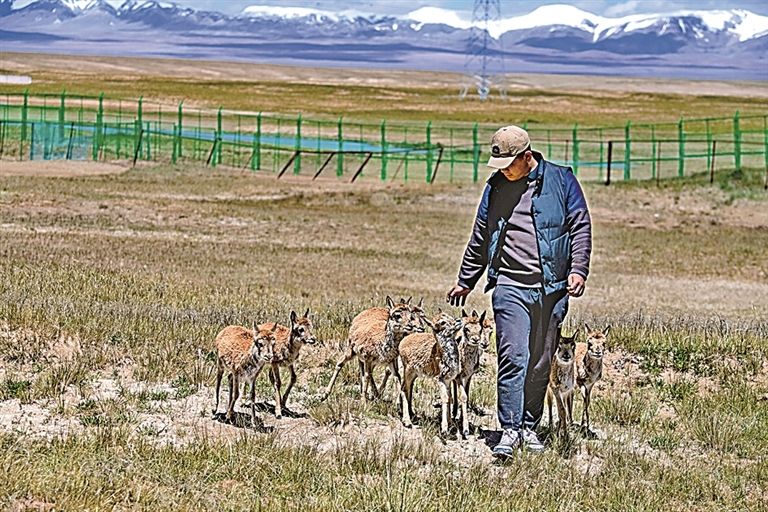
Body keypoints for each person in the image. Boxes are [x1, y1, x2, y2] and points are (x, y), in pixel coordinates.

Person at [445, 125, 592, 458]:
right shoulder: (497, 186)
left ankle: (529, 425)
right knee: (514, 356)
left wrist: (578, 270)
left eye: (509, 163)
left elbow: (580, 226)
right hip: (510, 285)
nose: (504, 171)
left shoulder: (561, 180)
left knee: (540, 361)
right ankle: (509, 429)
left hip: (552, 289)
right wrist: (466, 279)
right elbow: (481, 234)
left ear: (528, 157)